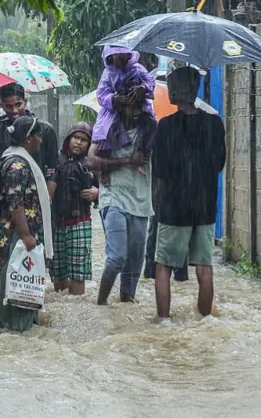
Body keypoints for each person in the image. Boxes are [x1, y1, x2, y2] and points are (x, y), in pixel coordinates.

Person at [153, 67, 226, 321]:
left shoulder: (165, 126)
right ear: (195, 91)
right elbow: (218, 164)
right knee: (204, 266)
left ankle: (163, 320)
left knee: (163, 265)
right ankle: (205, 320)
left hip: (174, 207)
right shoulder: (215, 124)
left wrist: (158, 201)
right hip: (205, 206)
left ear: (173, 92)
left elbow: (160, 172)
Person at [88, 93, 154, 305]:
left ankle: (126, 307)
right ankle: (101, 305)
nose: (135, 111)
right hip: (113, 196)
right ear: (120, 107)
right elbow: (91, 160)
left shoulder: (150, 130)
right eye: (130, 106)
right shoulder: (107, 129)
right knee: (117, 256)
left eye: (139, 106)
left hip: (141, 200)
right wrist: (126, 160)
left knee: (135, 264)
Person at [0, 116, 54, 331]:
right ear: (28, 139)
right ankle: (15, 332)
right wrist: (27, 235)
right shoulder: (18, 164)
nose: (41, 141)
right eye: (38, 136)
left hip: (20, 235)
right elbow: (15, 202)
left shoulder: (19, 159)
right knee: (17, 290)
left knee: (23, 289)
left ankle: (20, 331)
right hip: (17, 236)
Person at [47, 123, 99, 295]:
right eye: (76, 138)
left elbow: (108, 187)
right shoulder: (56, 159)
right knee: (58, 272)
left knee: (78, 272)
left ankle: (76, 305)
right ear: (69, 139)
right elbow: (48, 191)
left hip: (80, 222)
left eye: (84, 140)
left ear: (89, 143)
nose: (78, 142)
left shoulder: (92, 162)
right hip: (57, 223)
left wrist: (96, 192)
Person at [92, 46, 156, 159]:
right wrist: (114, 99)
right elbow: (101, 95)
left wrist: (143, 87)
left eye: (124, 57)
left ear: (129, 55)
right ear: (110, 57)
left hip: (138, 104)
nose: (121, 61)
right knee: (106, 129)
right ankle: (105, 160)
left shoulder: (137, 68)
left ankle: (143, 151)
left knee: (151, 123)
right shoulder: (108, 73)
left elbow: (150, 81)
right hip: (116, 109)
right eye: (117, 57)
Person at [0, 83, 59, 180]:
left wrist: (47, 194)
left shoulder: (45, 129)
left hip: (39, 185)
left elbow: (53, 168)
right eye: (9, 106)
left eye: (18, 105)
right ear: (2, 106)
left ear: (25, 102)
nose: (15, 111)